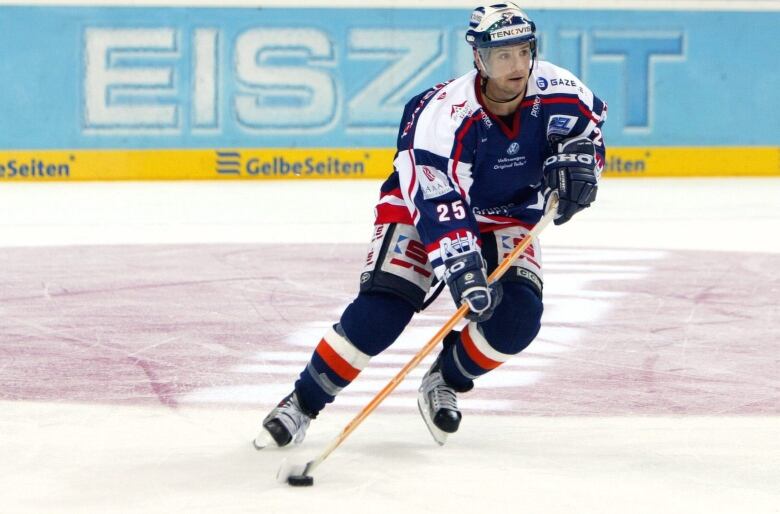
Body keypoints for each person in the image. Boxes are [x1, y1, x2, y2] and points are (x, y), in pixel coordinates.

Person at [254, 2, 607, 448]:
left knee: (518, 319)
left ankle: (446, 377)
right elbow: (436, 196)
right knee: (383, 310)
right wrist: (461, 264)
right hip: (421, 207)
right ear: (478, 58)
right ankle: (302, 402)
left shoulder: (562, 89)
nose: (517, 66)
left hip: (508, 213)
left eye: (523, 51)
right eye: (503, 55)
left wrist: (582, 167)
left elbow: (586, 136)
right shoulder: (441, 114)